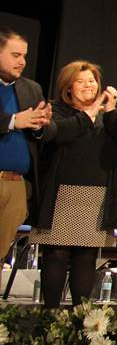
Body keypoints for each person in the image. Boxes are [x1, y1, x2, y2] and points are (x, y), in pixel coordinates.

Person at [32, 61, 117, 307]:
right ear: (68, 86)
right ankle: (50, 315)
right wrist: (89, 113)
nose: (88, 85)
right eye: (81, 81)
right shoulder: (57, 110)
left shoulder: (104, 114)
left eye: (92, 81)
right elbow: (59, 133)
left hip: (96, 195)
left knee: (86, 257)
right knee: (57, 254)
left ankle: (79, 318)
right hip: (62, 194)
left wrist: (110, 111)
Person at [0, 28, 52, 253]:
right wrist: (12, 121)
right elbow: (16, 121)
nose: (22, 62)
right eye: (15, 55)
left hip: (17, 185)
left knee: (1, 251)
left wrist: (41, 126)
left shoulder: (31, 89)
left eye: (24, 56)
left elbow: (44, 134)